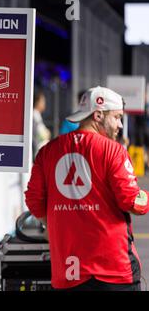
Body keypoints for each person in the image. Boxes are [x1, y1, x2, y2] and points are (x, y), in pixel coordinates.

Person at [25, 86, 149, 291]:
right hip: (112, 270)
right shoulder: (113, 150)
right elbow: (133, 202)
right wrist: (144, 195)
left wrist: (55, 226)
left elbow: (34, 201)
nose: (119, 125)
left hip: (67, 270)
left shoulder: (48, 152)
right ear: (98, 115)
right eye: (117, 117)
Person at [32, 91, 51, 160]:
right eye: (42, 101)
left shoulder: (37, 115)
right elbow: (40, 134)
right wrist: (47, 133)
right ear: (37, 102)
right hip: (37, 152)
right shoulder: (34, 115)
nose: (44, 104)